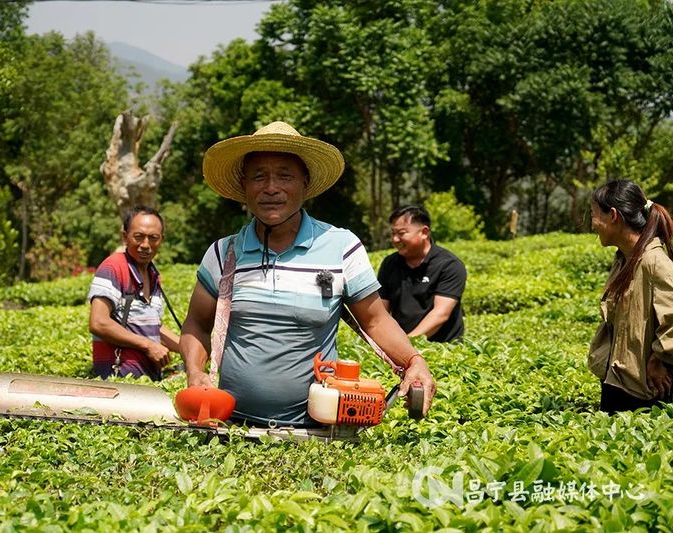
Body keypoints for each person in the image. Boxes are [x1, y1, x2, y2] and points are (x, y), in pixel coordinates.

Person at [179, 121, 436, 427]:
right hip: (232, 428)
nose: (271, 187)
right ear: (244, 187)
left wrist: (414, 361)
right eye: (258, 176)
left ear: (305, 182)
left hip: (318, 431)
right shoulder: (223, 254)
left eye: (284, 175)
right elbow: (196, 324)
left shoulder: (341, 246)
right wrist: (195, 371)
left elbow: (375, 320)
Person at [588, 180, 673, 413]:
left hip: (644, 393)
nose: (593, 224)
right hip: (618, 383)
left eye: (594, 215)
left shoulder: (655, 263)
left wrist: (659, 360)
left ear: (613, 215)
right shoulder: (624, 260)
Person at [88, 206, 180, 380]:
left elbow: (152, 327)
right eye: (139, 237)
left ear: (161, 240)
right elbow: (98, 322)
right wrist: (148, 346)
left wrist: (190, 349)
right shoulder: (113, 268)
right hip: (120, 380)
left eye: (153, 238)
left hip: (148, 382)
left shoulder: (153, 275)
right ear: (125, 237)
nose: (145, 245)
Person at [377, 205, 466, 342]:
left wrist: (408, 343)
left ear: (424, 232)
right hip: (401, 345)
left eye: (401, 233)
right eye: (392, 233)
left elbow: (441, 314)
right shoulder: (390, 263)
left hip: (443, 349)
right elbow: (381, 311)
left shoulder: (449, 265)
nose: (395, 239)